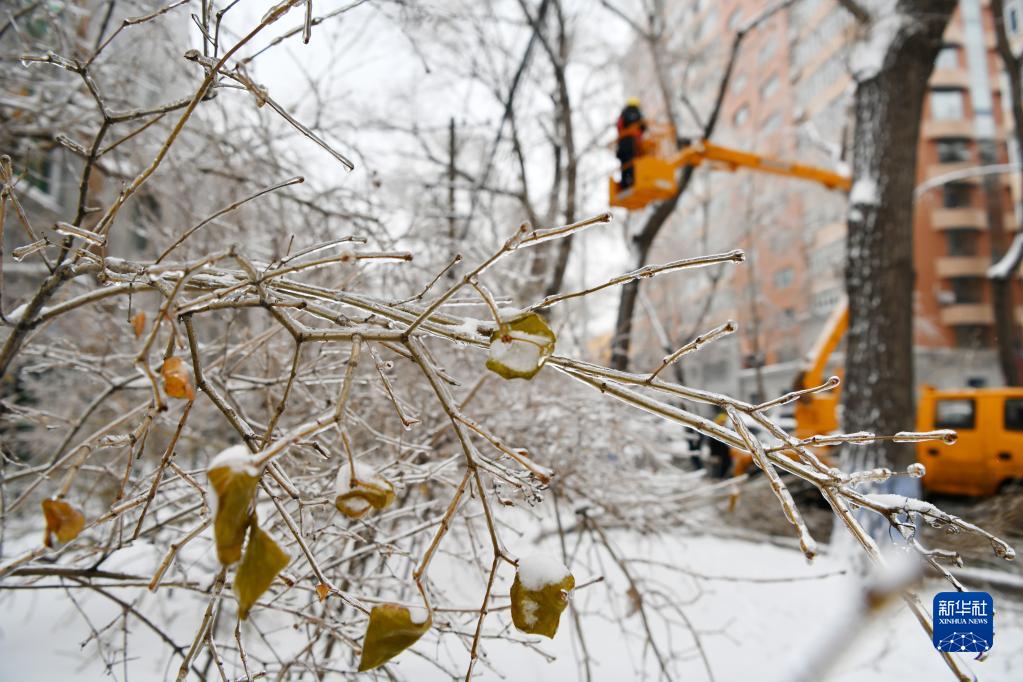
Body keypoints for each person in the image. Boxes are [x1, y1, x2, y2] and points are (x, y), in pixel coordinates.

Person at [616, 97, 646, 190]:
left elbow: (619, 126)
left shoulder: (623, 114)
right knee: (633, 162)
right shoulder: (637, 113)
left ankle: (625, 184)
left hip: (622, 143)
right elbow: (644, 126)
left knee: (625, 164)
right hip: (633, 142)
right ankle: (633, 181)